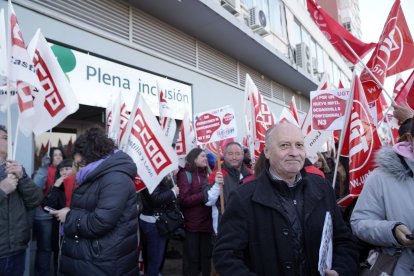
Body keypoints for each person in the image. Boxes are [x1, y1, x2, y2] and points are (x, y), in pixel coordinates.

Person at [213, 122, 359, 275]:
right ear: (267, 152)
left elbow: (343, 241)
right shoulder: (243, 197)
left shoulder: (323, 189)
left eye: (299, 145)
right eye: (284, 145)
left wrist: (340, 270)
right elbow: (226, 256)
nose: (294, 152)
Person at [49, 127, 138, 275]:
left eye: (80, 164)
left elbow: (100, 222)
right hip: (94, 258)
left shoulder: (115, 178)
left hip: (104, 261)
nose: (77, 169)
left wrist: (69, 217)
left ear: (93, 156)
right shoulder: (97, 175)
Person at [350, 117, 414, 275]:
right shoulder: (381, 176)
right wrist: (392, 231)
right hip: (399, 268)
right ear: (410, 139)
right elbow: (359, 223)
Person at [0, 125, 43, 275]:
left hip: (17, 249)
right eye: (4, 138)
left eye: (8, 139)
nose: (9, 142)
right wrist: (2, 190)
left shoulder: (16, 169)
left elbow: (36, 200)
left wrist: (23, 177)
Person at [177, 148, 213, 276]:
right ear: (194, 158)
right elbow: (184, 200)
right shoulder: (185, 175)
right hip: (192, 225)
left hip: (207, 224)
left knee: (206, 258)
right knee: (192, 260)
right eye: (202, 156)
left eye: (206, 156)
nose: (205, 159)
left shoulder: (208, 173)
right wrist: (203, 195)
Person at [204, 141, 252, 234]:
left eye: (238, 154)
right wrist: (217, 185)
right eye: (230, 154)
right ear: (224, 155)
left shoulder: (251, 174)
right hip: (225, 230)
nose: (234, 157)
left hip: (248, 228)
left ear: (242, 155)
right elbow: (208, 201)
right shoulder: (217, 174)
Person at [139, 175, 180, 276]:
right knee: (154, 260)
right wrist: (173, 192)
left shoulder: (148, 175)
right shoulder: (152, 176)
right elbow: (155, 199)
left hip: (150, 220)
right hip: (154, 223)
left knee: (151, 258)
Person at [32, 147, 64, 276]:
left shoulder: (65, 170)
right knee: (44, 249)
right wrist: (43, 168)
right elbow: (36, 187)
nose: (57, 157)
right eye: (54, 155)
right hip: (43, 215)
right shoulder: (44, 170)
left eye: (60, 155)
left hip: (59, 216)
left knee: (59, 250)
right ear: (50, 158)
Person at [42, 158, 75, 275]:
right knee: (58, 261)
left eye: (67, 169)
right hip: (59, 233)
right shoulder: (57, 188)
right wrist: (55, 187)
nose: (64, 172)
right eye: (61, 170)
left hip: (75, 232)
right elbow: (47, 206)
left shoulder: (79, 186)